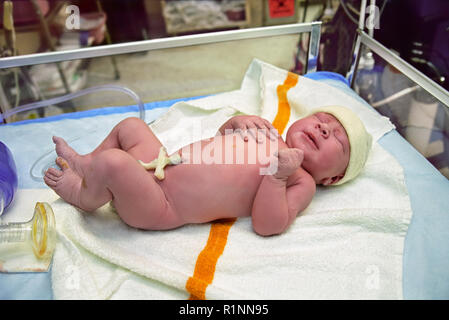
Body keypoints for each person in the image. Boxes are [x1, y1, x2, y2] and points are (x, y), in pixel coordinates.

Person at [44, 105, 372, 236]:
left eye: (338, 140)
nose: (325, 129)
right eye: (321, 120)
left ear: (333, 177)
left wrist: (276, 176)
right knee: (131, 127)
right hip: (159, 163)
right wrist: (233, 124)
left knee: (113, 162)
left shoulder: (301, 181)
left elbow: (268, 224)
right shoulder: (268, 131)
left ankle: (84, 196)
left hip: (161, 203)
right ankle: (87, 163)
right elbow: (217, 146)